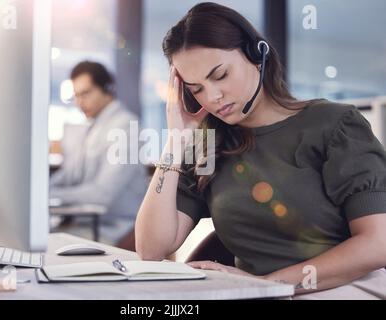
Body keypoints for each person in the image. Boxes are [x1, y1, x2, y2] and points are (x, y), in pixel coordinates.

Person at [135, 2, 386, 299]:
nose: (213, 97)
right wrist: (175, 139)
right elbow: (151, 250)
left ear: (256, 55)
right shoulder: (209, 146)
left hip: (342, 288)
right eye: (196, 88)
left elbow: (378, 242)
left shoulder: (335, 126)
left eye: (220, 75)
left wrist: (270, 283)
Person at [50, 61, 147, 246]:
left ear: (107, 88)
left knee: (45, 245)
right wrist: (40, 192)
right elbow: (70, 175)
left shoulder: (126, 127)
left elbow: (102, 194)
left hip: (116, 228)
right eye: (76, 96)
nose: (79, 103)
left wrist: (50, 196)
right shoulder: (93, 127)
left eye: (85, 94)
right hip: (85, 222)